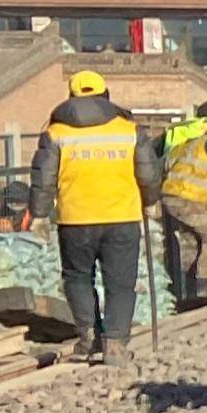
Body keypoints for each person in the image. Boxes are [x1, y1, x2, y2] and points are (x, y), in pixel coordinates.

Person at [30, 71, 160, 361]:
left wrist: (39, 215)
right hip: (121, 217)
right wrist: (151, 202)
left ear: (72, 96)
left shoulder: (56, 133)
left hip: (75, 220)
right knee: (120, 283)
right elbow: (148, 172)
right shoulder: (129, 130)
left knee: (77, 278)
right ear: (105, 94)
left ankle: (89, 336)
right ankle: (115, 343)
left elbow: (43, 177)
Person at [155, 100, 207, 309]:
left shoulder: (187, 141)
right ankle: (205, 283)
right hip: (184, 198)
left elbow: (161, 161)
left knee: (194, 244)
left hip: (176, 197)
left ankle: (191, 294)